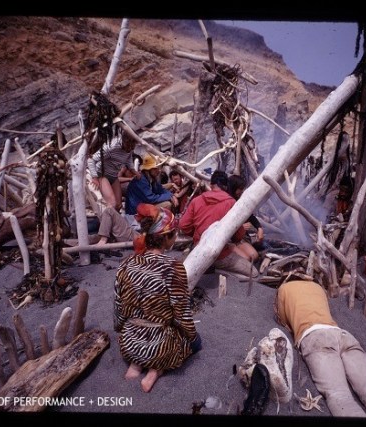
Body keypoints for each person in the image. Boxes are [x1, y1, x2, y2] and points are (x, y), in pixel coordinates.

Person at [274, 279, 366, 418]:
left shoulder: (284, 288)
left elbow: (282, 320)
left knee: (340, 396)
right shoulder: (318, 287)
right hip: (342, 334)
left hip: (316, 338)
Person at [114, 203, 202, 393]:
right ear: (166, 237)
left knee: (141, 332)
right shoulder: (173, 267)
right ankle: (155, 371)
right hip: (159, 346)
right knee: (195, 342)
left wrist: (122, 329)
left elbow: (118, 306)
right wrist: (192, 336)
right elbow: (181, 314)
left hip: (129, 343)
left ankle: (135, 365)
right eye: (174, 234)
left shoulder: (126, 264)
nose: (176, 237)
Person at [179, 170, 259, 277]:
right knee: (253, 273)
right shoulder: (231, 202)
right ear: (225, 186)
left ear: (211, 184)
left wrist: (197, 234)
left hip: (198, 250)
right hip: (220, 254)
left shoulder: (197, 200)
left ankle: (208, 266)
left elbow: (183, 225)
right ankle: (217, 269)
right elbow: (238, 235)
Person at [87, 132, 139, 212]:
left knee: (118, 205)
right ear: (125, 141)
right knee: (112, 203)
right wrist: (95, 177)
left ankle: (115, 218)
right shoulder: (111, 147)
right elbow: (91, 159)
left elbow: (128, 159)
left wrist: (135, 172)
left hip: (114, 175)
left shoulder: (130, 148)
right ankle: (107, 218)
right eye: (130, 145)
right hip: (102, 174)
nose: (131, 148)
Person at [227, 174, 264, 260]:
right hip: (229, 239)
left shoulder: (239, 200)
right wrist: (239, 227)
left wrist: (259, 228)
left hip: (240, 237)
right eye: (240, 189)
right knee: (246, 258)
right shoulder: (227, 202)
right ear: (233, 188)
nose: (241, 192)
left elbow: (249, 215)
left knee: (253, 256)